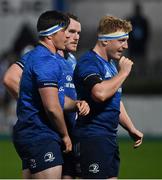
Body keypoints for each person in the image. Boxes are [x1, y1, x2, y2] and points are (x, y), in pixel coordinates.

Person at [9, 10, 89, 179]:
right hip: (42, 132)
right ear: (52, 34)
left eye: (76, 33)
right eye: (66, 31)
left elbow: (58, 99)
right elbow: (52, 107)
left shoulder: (63, 59)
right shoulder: (43, 59)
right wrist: (64, 134)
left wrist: (76, 104)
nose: (71, 37)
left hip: (50, 132)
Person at [73, 15, 143, 179]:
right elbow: (100, 94)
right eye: (121, 40)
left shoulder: (110, 66)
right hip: (92, 138)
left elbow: (114, 102)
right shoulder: (89, 62)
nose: (126, 46)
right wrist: (124, 72)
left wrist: (131, 128)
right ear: (105, 41)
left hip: (107, 138)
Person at [57, 13, 81, 179]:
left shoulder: (73, 60)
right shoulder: (45, 58)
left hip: (72, 133)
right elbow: (10, 79)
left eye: (79, 33)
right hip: (53, 133)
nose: (76, 37)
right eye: (71, 32)